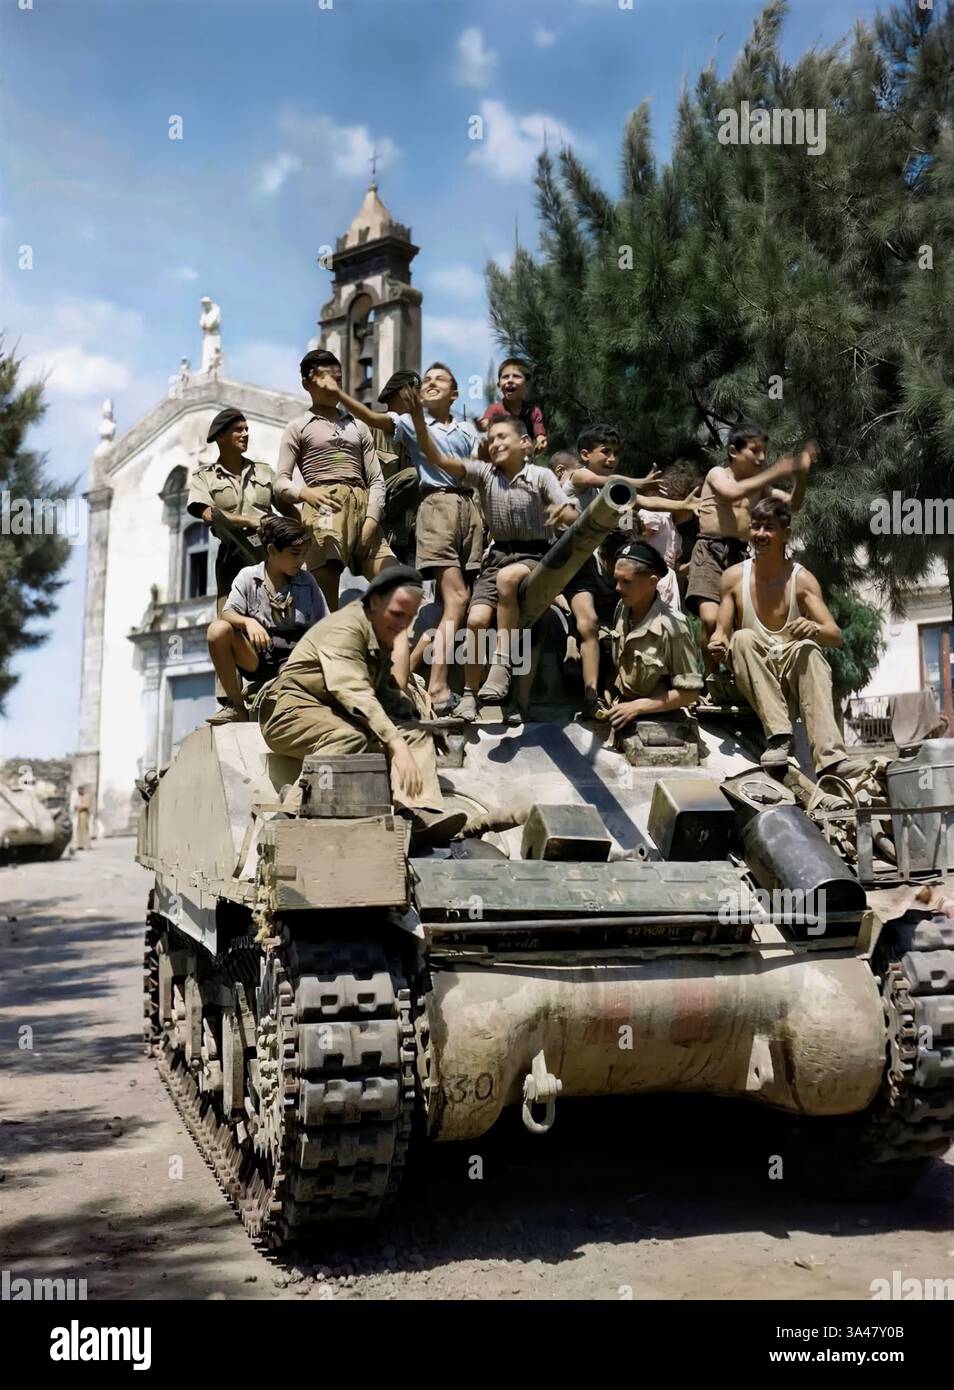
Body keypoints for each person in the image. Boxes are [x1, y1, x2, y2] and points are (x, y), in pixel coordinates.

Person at [313, 361, 483, 715]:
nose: (401, 402)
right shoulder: (383, 428)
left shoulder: (462, 427)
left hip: (449, 521)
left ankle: (437, 680)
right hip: (400, 528)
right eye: (396, 399)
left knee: (452, 606)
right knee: (438, 604)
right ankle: (415, 683)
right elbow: (375, 481)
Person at [258, 567, 465, 842]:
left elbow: (386, 690)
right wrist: (396, 743)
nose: (403, 624)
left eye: (409, 617)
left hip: (334, 710)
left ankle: (414, 812)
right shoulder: (345, 628)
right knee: (348, 737)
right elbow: (354, 691)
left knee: (414, 731)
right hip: (290, 710)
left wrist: (415, 719)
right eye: (397, 613)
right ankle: (289, 814)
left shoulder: (379, 634)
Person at [407, 394, 577, 717]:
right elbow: (438, 460)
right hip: (498, 554)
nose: (495, 442)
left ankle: (501, 664)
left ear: (526, 443)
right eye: (492, 438)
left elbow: (569, 512)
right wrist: (418, 420)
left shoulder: (542, 477)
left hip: (534, 555)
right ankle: (471, 693)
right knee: (475, 620)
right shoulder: (485, 474)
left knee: (509, 578)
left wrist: (560, 512)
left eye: (503, 437)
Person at [708, 497, 854, 776]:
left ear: (785, 534)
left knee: (809, 648)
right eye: (756, 527)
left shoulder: (801, 579)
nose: (760, 535)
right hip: (752, 677)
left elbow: (835, 635)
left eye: (769, 528)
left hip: (791, 682)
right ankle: (779, 737)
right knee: (742, 638)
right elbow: (722, 634)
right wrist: (718, 645)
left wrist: (814, 629)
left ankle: (831, 759)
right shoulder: (733, 577)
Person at [561, 427, 700, 720]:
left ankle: (622, 690)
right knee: (587, 624)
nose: (612, 458)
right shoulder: (579, 478)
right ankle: (590, 695)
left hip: (603, 568)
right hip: (574, 569)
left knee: (619, 633)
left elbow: (645, 502)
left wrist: (681, 505)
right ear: (585, 455)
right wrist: (641, 481)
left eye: (616, 453)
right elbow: (609, 481)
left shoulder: (613, 490)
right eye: (605, 452)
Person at [273, 349, 397, 610]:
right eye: (324, 379)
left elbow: (376, 480)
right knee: (325, 603)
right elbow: (280, 482)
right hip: (324, 510)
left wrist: (371, 520)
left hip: (363, 507)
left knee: (398, 585)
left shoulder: (358, 426)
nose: (332, 386)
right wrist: (305, 494)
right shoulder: (298, 427)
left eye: (338, 380)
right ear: (307, 383)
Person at [686, 423, 815, 669]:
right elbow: (732, 493)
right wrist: (776, 471)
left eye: (764, 452)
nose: (762, 458)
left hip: (741, 555)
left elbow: (793, 504)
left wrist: (800, 477)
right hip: (709, 551)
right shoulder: (717, 474)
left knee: (739, 625)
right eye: (755, 451)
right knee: (711, 619)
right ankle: (711, 678)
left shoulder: (761, 487)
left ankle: (737, 677)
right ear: (734, 451)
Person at [205, 516, 327, 725]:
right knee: (218, 630)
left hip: (294, 657)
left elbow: (325, 625)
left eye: (304, 555)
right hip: (257, 656)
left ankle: (275, 694)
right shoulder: (248, 576)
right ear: (272, 550)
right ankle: (236, 707)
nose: (300, 561)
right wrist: (247, 623)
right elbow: (227, 613)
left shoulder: (307, 581)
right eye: (295, 554)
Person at [187, 407, 298, 609]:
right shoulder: (204, 477)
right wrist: (249, 520)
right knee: (229, 621)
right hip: (232, 555)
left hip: (269, 552)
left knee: (276, 617)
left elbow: (290, 513)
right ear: (221, 436)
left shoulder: (263, 471)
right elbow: (208, 515)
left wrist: (300, 546)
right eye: (238, 429)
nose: (245, 434)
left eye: (247, 429)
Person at [604, 540, 705, 733]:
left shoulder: (673, 627)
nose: (617, 587)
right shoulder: (623, 608)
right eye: (616, 579)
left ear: (652, 582)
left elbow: (690, 693)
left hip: (660, 719)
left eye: (626, 582)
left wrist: (638, 707)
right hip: (622, 710)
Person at [478, 358, 548, 455]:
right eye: (505, 377)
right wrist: (482, 426)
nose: (510, 380)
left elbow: (539, 433)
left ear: (527, 384)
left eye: (516, 376)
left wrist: (541, 440)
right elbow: (485, 423)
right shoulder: (495, 410)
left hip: (524, 460)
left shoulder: (533, 411)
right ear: (498, 384)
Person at [72, 785, 92, 851]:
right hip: (79, 813)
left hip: (84, 813)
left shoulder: (86, 796)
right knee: (79, 829)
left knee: (84, 829)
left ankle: (86, 845)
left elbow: (87, 805)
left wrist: (79, 807)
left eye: (79, 790)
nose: (79, 792)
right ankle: (80, 844)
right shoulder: (79, 796)